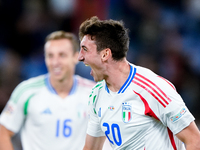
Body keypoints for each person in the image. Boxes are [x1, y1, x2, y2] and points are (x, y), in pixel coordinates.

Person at [78, 16, 200, 150]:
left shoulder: (152, 88)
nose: (80, 57)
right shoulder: (97, 94)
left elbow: (194, 141)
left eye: (85, 49)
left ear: (105, 54)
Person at [0, 31, 97, 150]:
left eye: (62, 55)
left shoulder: (94, 93)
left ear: (76, 57)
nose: (55, 62)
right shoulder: (27, 91)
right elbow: (3, 131)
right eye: (50, 56)